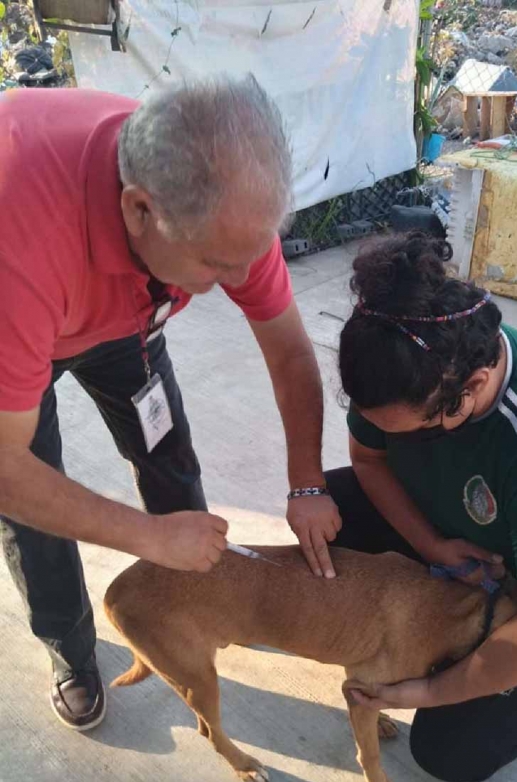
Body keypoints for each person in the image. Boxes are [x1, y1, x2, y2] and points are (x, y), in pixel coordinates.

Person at [0, 78, 341, 731]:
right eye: (217, 265)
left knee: (171, 463)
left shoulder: (226, 206)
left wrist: (307, 482)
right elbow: (6, 471)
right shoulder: (20, 237)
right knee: (35, 514)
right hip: (27, 323)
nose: (241, 285)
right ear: (139, 210)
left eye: (250, 258)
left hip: (124, 318)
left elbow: (292, 355)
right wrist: (149, 537)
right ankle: (70, 651)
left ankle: (186, 607)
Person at [325, 231, 517, 782]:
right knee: (329, 513)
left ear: (473, 385)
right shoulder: (395, 363)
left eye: (416, 432)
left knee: (449, 754)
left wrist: (424, 690)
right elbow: (369, 462)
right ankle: (451, 608)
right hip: (456, 537)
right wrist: (431, 545)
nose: (389, 436)